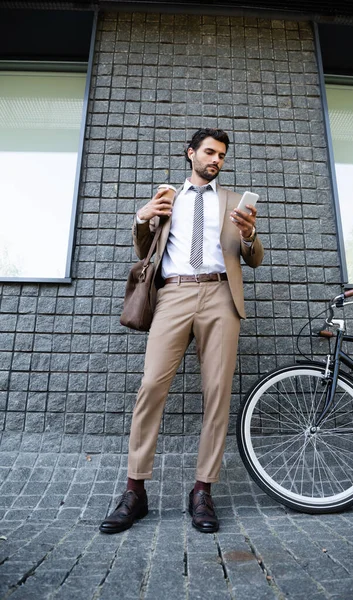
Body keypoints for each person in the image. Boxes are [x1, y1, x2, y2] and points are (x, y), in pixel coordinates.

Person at [100, 128, 264, 535]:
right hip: (172, 295)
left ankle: (202, 491)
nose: (216, 160)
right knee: (151, 386)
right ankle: (135, 491)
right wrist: (143, 217)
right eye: (209, 152)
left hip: (221, 297)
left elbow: (256, 259)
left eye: (222, 155)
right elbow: (144, 251)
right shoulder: (169, 198)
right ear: (190, 153)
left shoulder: (232, 202)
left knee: (217, 394)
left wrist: (250, 235)